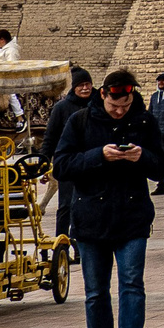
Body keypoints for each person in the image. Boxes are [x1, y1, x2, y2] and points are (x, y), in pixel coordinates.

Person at [57, 69, 164, 328]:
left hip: (132, 218)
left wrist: (141, 157)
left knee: (132, 287)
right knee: (96, 293)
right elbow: (61, 165)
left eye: (126, 104)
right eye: (115, 105)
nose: (120, 111)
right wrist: (98, 156)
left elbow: (162, 167)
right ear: (104, 95)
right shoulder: (80, 121)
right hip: (91, 220)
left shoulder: (144, 122)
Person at [40, 68, 96, 238]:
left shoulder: (98, 105)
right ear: (74, 87)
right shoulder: (62, 108)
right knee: (66, 205)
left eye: (88, 84)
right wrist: (43, 162)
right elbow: (50, 137)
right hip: (69, 164)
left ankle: (84, 245)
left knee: (91, 205)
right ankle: (62, 243)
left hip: (93, 163)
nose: (85, 88)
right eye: (81, 85)